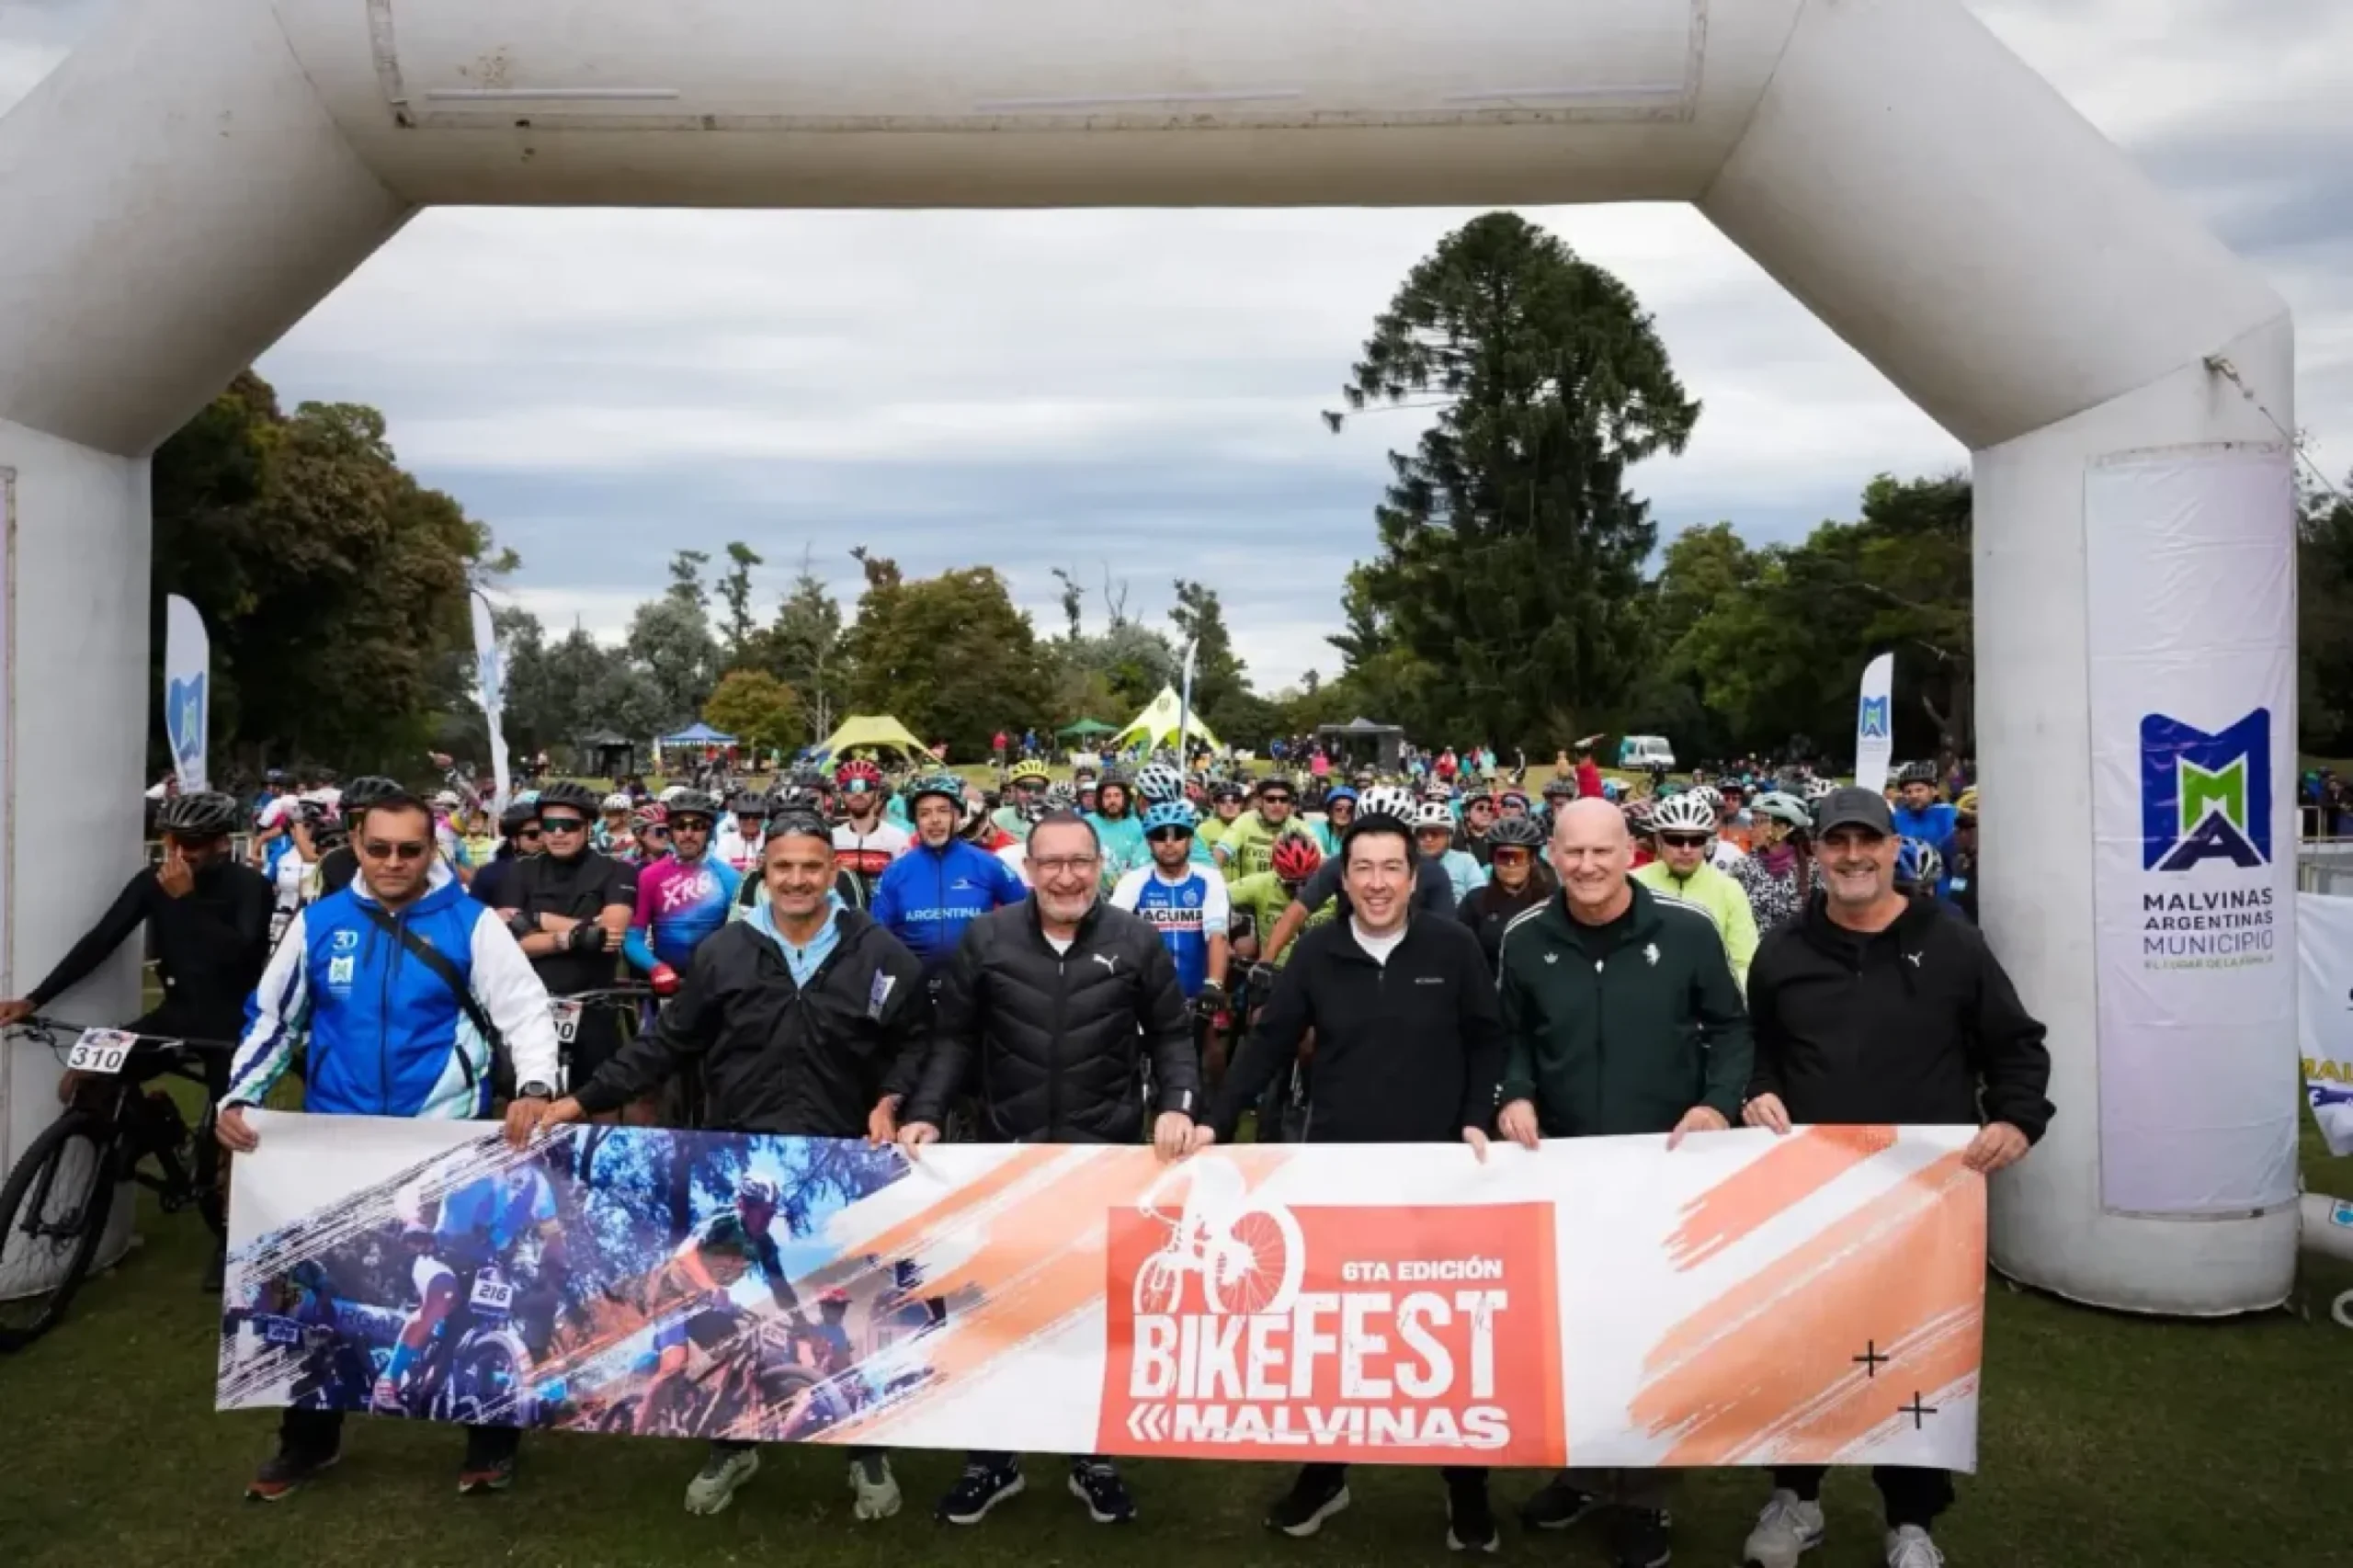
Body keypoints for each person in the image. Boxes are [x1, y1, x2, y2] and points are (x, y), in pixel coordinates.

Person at [539, 812, 931, 1520]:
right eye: (784, 867)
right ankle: (733, 1445)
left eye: (811, 866)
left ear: (832, 870)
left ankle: (865, 1449)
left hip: (844, 1161)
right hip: (745, 1150)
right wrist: (581, 1100)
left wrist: (892, 1097)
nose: (798, 880)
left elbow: (916, 1040)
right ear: (763, 872)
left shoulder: (881, 953)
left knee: (846, 1316)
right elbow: (667, 1044)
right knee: (736, 1325)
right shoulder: (724, 952)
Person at [1737, 786, 2052, 1568]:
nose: (1852, 857)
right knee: (1805, 1343)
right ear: (1815, 852)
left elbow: (2015, 1043)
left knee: (1915, 1353)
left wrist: (2017, 1118)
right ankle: (1797, 1497)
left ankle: (1912, 1520)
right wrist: (1755, 1089)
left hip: (1924, 1198)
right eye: (1836, 842)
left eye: (1866, 841)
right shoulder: (1783, 950)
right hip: (1811, 1193)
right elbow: (1757, 1049)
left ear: (1891, 847)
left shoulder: (1952, 942)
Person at [216, 789, 562, 1502]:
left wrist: (534, 1084)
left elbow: (526, 1011)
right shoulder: (319, 923)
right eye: (379, 849)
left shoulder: (470, 923)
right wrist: (239, 1096)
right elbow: (275, 1020)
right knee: (323, 1290)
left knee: (474, 1286)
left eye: (410, 849)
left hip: (443, 1140)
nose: (394, 862)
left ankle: (490, 1439)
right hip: (338, 1141)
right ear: (356, 845)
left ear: (432, 849)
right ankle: (308, 1438)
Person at [1196, 807, 1505, 1551]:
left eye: (1391, 868)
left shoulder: (1453, 946)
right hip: (1340, 1168)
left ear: (1414, 877)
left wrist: (1476, 1117)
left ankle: (1466, 1483)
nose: (1377, 883)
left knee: (1450, 1333)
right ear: (1342, 878)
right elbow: (1269, 1042)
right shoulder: (1316, 951)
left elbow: (1487, 1038)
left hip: (1439, 1173)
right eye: (1361, 868)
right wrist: (1217, 1120)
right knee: (1338, 1332)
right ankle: (1326, 1473)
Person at [897, 812, 1199, 1528]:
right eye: (1051, 863)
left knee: (1089, 1316)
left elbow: (1172, 1035)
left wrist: (1179, 1104)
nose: (1066, 877)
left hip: (1104, 1158)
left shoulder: (1136, 939)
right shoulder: (987, 938)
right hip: (1009, 1155)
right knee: (996, 1310)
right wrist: (928, 1110)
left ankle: (1091, 1457)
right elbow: (953, 1039)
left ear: (1100, 867)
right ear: (1028, 870)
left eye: (1080, 862)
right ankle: (992, 1460)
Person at [1498, 800, 1751, 1568]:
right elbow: (1511, 1036)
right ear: (1552, 852)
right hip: (1565, 1168)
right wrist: (1515, 1093)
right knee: (1573, 1329)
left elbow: (1732, 1027)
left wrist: (1718, 1103)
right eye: (1572, 852)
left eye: (1602, 852)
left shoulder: (1687, 930)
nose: (1586, 867)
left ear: (1630, 851)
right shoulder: (1524, 937)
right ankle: (1580, 1472)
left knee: (1651, 1337)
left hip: (1663, 1171)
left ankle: (1644, 1497)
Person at [0, 790, 275, 1289]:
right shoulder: (154, 882)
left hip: (232, 1026)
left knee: (229, 1143)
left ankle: (230, 1239)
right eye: (173, 840)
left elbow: (240, 956)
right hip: (175, 1015)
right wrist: (35, 999)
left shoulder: (249, 886)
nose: (182, 852)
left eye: (195, 842)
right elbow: (101, 940)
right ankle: (154, 1128)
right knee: (86, 1077)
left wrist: (188, 901)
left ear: (221, 843)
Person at [495, 780, 638, 1108]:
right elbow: (509, 943)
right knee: (524, 1100)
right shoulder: (520, 871)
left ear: (588, 827)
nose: (558, 833)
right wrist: (574, 937)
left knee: (599, 1102)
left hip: (594, 1002)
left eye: (569, 825)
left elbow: (610, 936)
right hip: (532, 1003)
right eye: (549, 826)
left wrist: (538, 919)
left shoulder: (617, 870)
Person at [870, 772, 1029, 979]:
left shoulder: (988, 864)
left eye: (943, 811)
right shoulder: (895, 872)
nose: (935, 820)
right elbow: (876, 937)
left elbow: (1026, 916)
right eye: (924, 813)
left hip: (976, 985)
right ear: (915, 821)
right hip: (915, 987)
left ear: (958, 816)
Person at [1631, 790, 1762, 988]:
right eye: (1675, 840)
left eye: (1696, 840)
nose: (1686, 850)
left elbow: (1744, 962)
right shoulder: (1633, 883)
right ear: (1658, 840)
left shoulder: (1729, 890)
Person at [1455, 811, 1552, 967]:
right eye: (1504, 856)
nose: (1511, 864)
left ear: (1532, 860)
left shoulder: (1551, 902)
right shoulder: (1475, 902)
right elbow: (1459, 953)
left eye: (1518, 857)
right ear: (1492, 859)